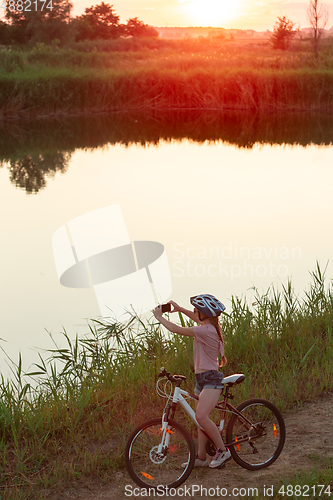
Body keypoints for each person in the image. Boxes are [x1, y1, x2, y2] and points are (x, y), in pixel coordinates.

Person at [153, 293, 231, 469]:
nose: (195, 312)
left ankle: (223, 450)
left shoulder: (206, 330)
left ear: (205, 313)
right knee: (200, 422)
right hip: (201, 379)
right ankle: (201, 457)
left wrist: (160, 317)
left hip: (211, 379)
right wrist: (179, 309)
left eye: (197, 310)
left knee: (202, 417)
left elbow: (175, 329)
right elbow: (198, 318)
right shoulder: (210, 326)